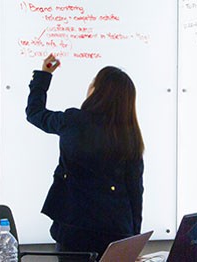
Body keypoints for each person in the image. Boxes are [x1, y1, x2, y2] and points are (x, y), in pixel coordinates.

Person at [26, 54, 145, 258]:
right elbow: (136, 191)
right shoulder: (130, 135)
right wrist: (134, 239)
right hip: (117, 232)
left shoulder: (73, 121)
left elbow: (35, 113)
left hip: (74, 230)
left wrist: (44, 75)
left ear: (97, 92)